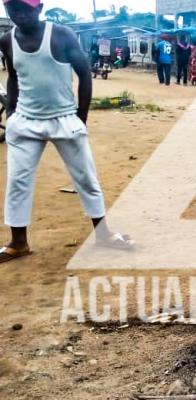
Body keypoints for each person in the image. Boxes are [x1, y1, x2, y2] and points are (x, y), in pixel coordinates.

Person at [0, 0, 134, 264]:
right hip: (26, 122)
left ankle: (103, 234)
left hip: (64, 119)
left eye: (24, 9)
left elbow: (85, 74)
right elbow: (14, 76)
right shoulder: (7, 40)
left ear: (39, 9)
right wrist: (12, 113)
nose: (18, 15)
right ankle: (18, 243)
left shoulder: (62, 35)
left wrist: (80, 118)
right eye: (12, 9)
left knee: (86, 178)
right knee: (17, 183)